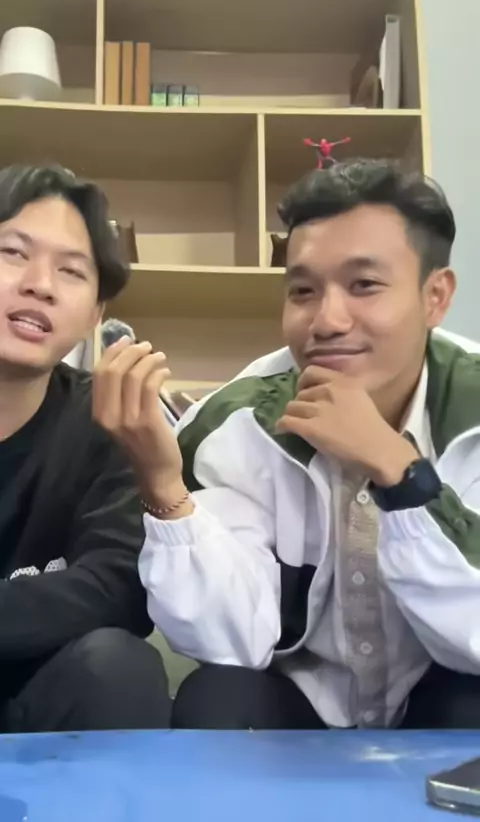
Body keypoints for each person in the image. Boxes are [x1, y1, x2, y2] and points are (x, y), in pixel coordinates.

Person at [94, 159, 480, 730]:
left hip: (444, 701)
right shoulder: (236, 423)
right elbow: (232, 642)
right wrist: (163, 486)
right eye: (303, 290)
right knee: (218, 697)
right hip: (302, 710)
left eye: (364, 285)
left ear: (435, 296)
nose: (327, 320)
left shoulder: (470, 411)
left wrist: (400, 473)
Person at [0, 164, 170, 732]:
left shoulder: (106, 420)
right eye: (12, 252)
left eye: (71, 271)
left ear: (97, 314)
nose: (40, 285)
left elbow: (120, 584)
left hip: (33, 707)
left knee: (119, 666)